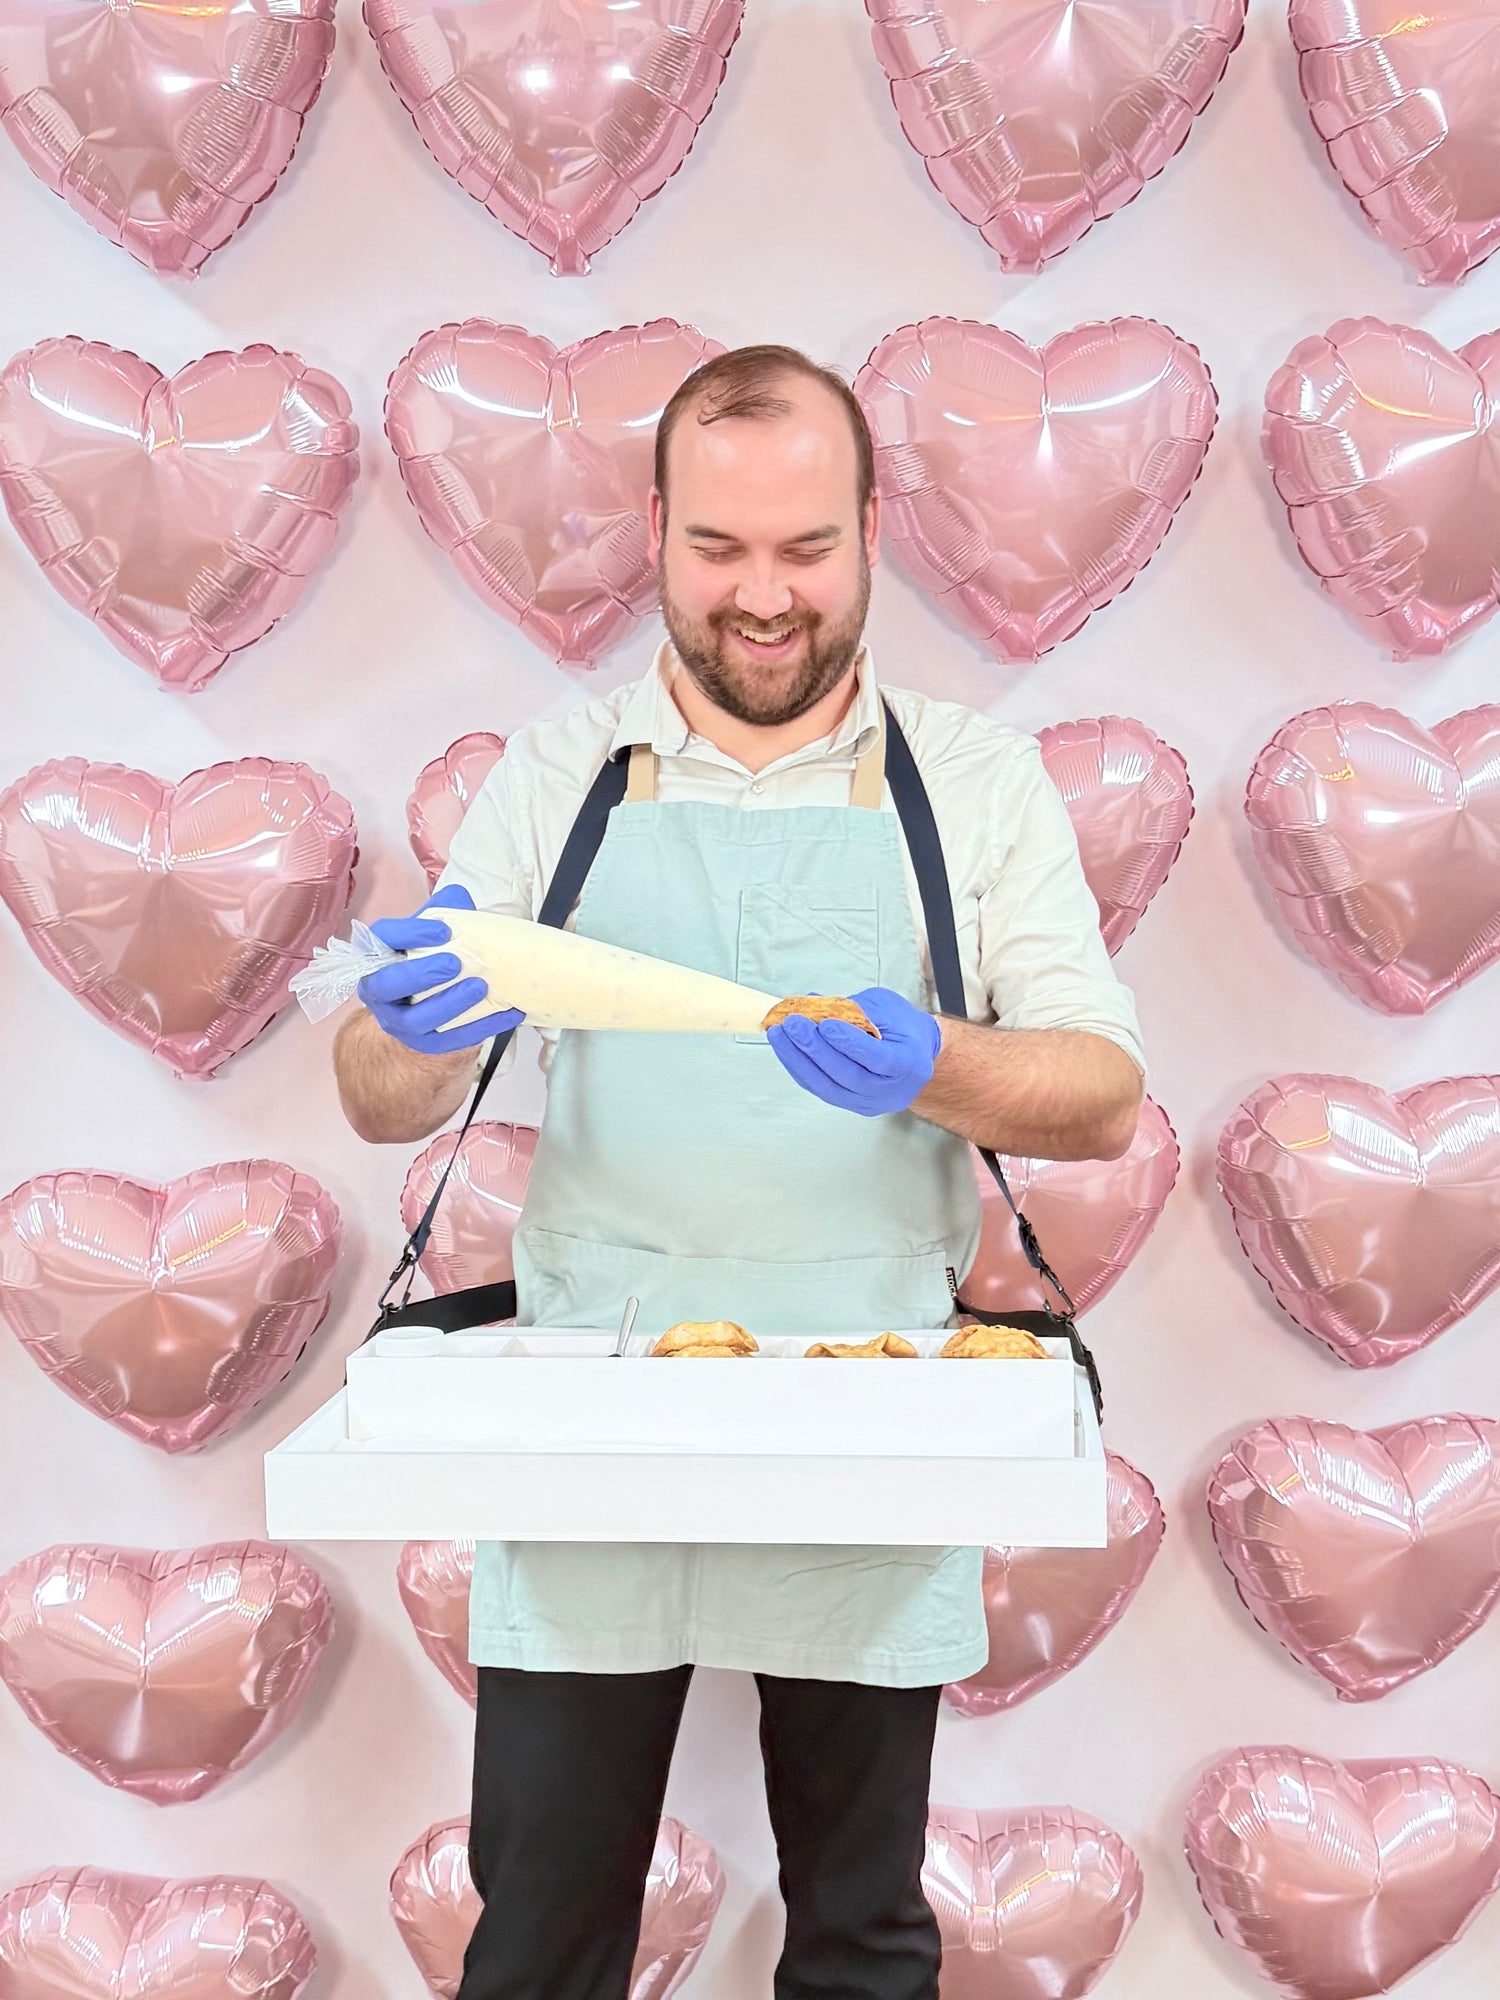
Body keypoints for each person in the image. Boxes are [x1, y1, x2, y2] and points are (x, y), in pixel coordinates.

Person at [334, 346, 1146, 2000]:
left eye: (804, 551)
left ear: (871, 530)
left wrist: (941, 1061)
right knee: (543, 1932)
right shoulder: (558, 775)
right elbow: (372, 1096)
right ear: (654, 532)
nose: (762, 599)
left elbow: (1103, 1094)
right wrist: (406, 1029)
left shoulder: (976, 788)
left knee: (861, 1935)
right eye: (718, 551)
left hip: (869, 1402)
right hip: (595, 1411)